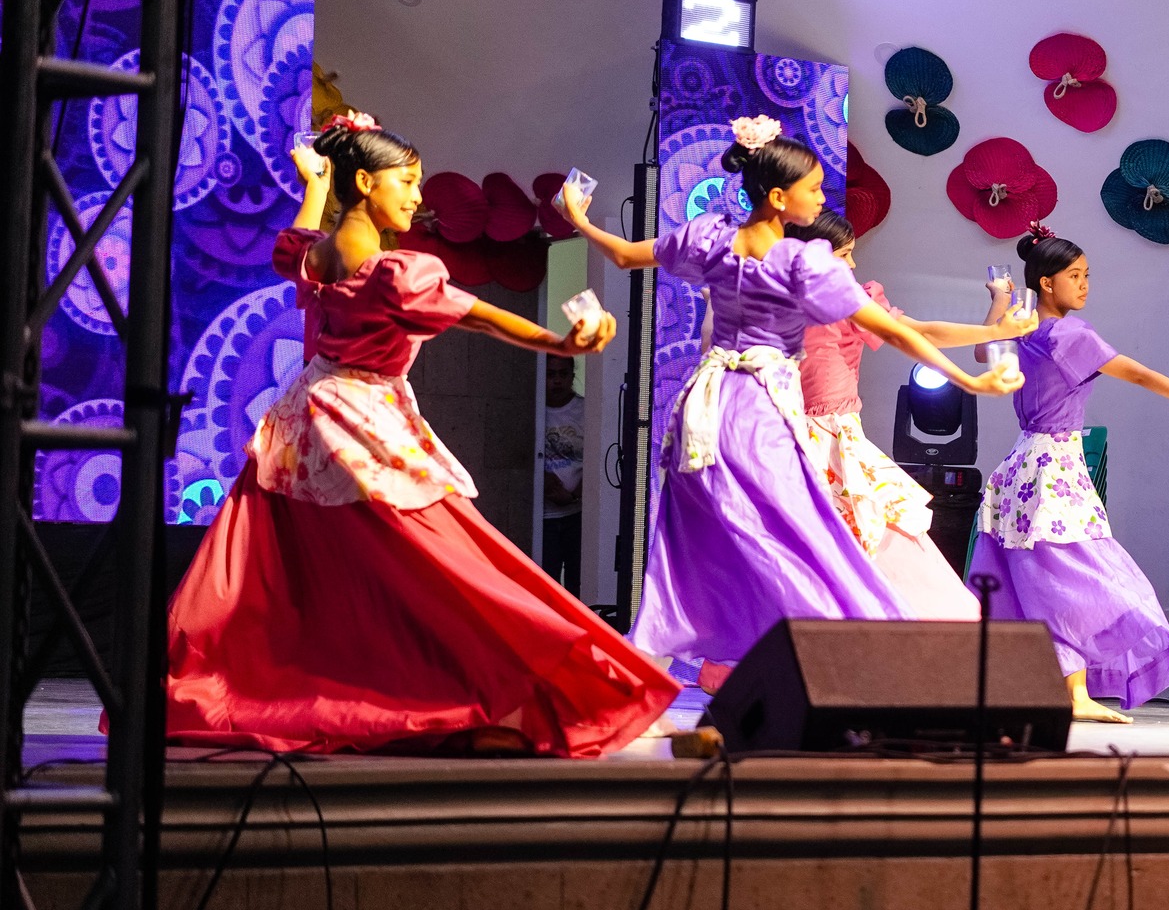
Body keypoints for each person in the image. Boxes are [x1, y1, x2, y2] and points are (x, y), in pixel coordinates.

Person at [163, 114, 680, 757]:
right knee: (453, 566)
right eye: (406, 182)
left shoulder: (320, 257)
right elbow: (480, 318)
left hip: (308, 420)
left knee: (330, 571)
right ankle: (571, 689)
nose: (417, 196)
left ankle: (392, 685)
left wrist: (316, 185)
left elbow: (294, 243)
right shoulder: (393, 274)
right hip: (360, 424)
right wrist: (559, 343)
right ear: (365, 181)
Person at [561, 117, 1021, 680]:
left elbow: (625, 256)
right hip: (759, 409)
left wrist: (580, 220)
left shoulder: (709, 239)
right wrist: (969, 381)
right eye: (815, 188)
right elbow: (898, 331)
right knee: (803, 536)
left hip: (705, 410)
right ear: (779, 197)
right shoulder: (803, 263)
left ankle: (662, 665)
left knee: (697, 541)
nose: (822, 197)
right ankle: (843, 651)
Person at [968, 223, 1169, 724]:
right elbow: (1136, 373)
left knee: (1038, 583)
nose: (1085, 284)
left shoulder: (1022, 327)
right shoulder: (1072, 334)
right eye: (1075, 275)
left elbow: (984, 350)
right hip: (1054, 469)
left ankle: (1064, 691)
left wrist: (999, 299)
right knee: (1084, 580)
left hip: (1020, 467)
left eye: (1087, 274)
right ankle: (1073, 694)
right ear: (1047, 282)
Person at [783, 209, 1033, 620]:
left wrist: (992, 331)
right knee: (847, 547)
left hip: (814, 438)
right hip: (806, 438)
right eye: (844, 254)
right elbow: (917, 333)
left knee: (863, 544)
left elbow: (916, 332)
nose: (852, 264)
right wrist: (991, 337)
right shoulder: (804, 299)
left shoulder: (828, 299)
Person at [541, 354, 584, 592]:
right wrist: (544, 481)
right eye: (550, 374)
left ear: (572, 376)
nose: (557, 381)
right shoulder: (535, 409)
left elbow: (595, 459)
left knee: (580, 583)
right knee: (547, 585)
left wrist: (575, 495)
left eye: (563, 374)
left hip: (577, 514)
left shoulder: (584, 410)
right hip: (544, 517)